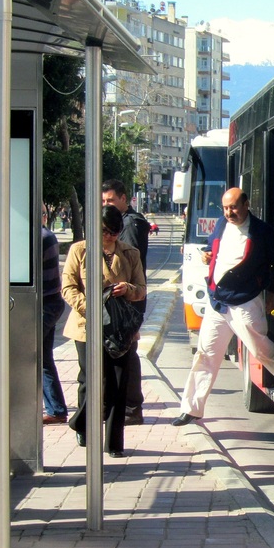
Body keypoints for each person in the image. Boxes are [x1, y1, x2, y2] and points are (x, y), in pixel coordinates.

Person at [173, 188, 274, 426]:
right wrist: (206, 256)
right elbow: (211, 248)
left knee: (260, 350)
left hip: (245, 302)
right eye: (226, 208)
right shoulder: (220, 224)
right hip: (217, 301)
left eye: (233, 207)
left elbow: (272, 264)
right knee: (205, 354)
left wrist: (270, 291)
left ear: (246, 204)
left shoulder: (262, 231)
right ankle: (191, 409)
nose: (229, 212)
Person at [61, 205, 146, 457]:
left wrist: (127, 289)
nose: (111, 237)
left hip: (120, 330)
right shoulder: (80, 250)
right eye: (106, 231)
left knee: (119, 383)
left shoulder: (130, 253)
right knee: (93, 380)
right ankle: (83, 425)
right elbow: (68, 287)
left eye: (116, 232)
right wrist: (94, 308)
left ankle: (114, 443)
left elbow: (141, 288)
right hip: (87, 327)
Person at [102, 180, 150, 425]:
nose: (106, 205)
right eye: (103, 201)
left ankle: (131, 407)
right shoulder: (125, 221)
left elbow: (130, 264)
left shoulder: (129, 224)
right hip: (120, 302)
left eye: (110, 200)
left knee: (126, 353)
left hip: (126, 302)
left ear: (124, 199)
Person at [41, 204, 68, 425]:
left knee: (26, 353)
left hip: (45, 304)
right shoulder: (46, 235)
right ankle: (56, 409)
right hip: (50, 302)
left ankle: (55, 408)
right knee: (43, 358)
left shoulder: (40, 237)